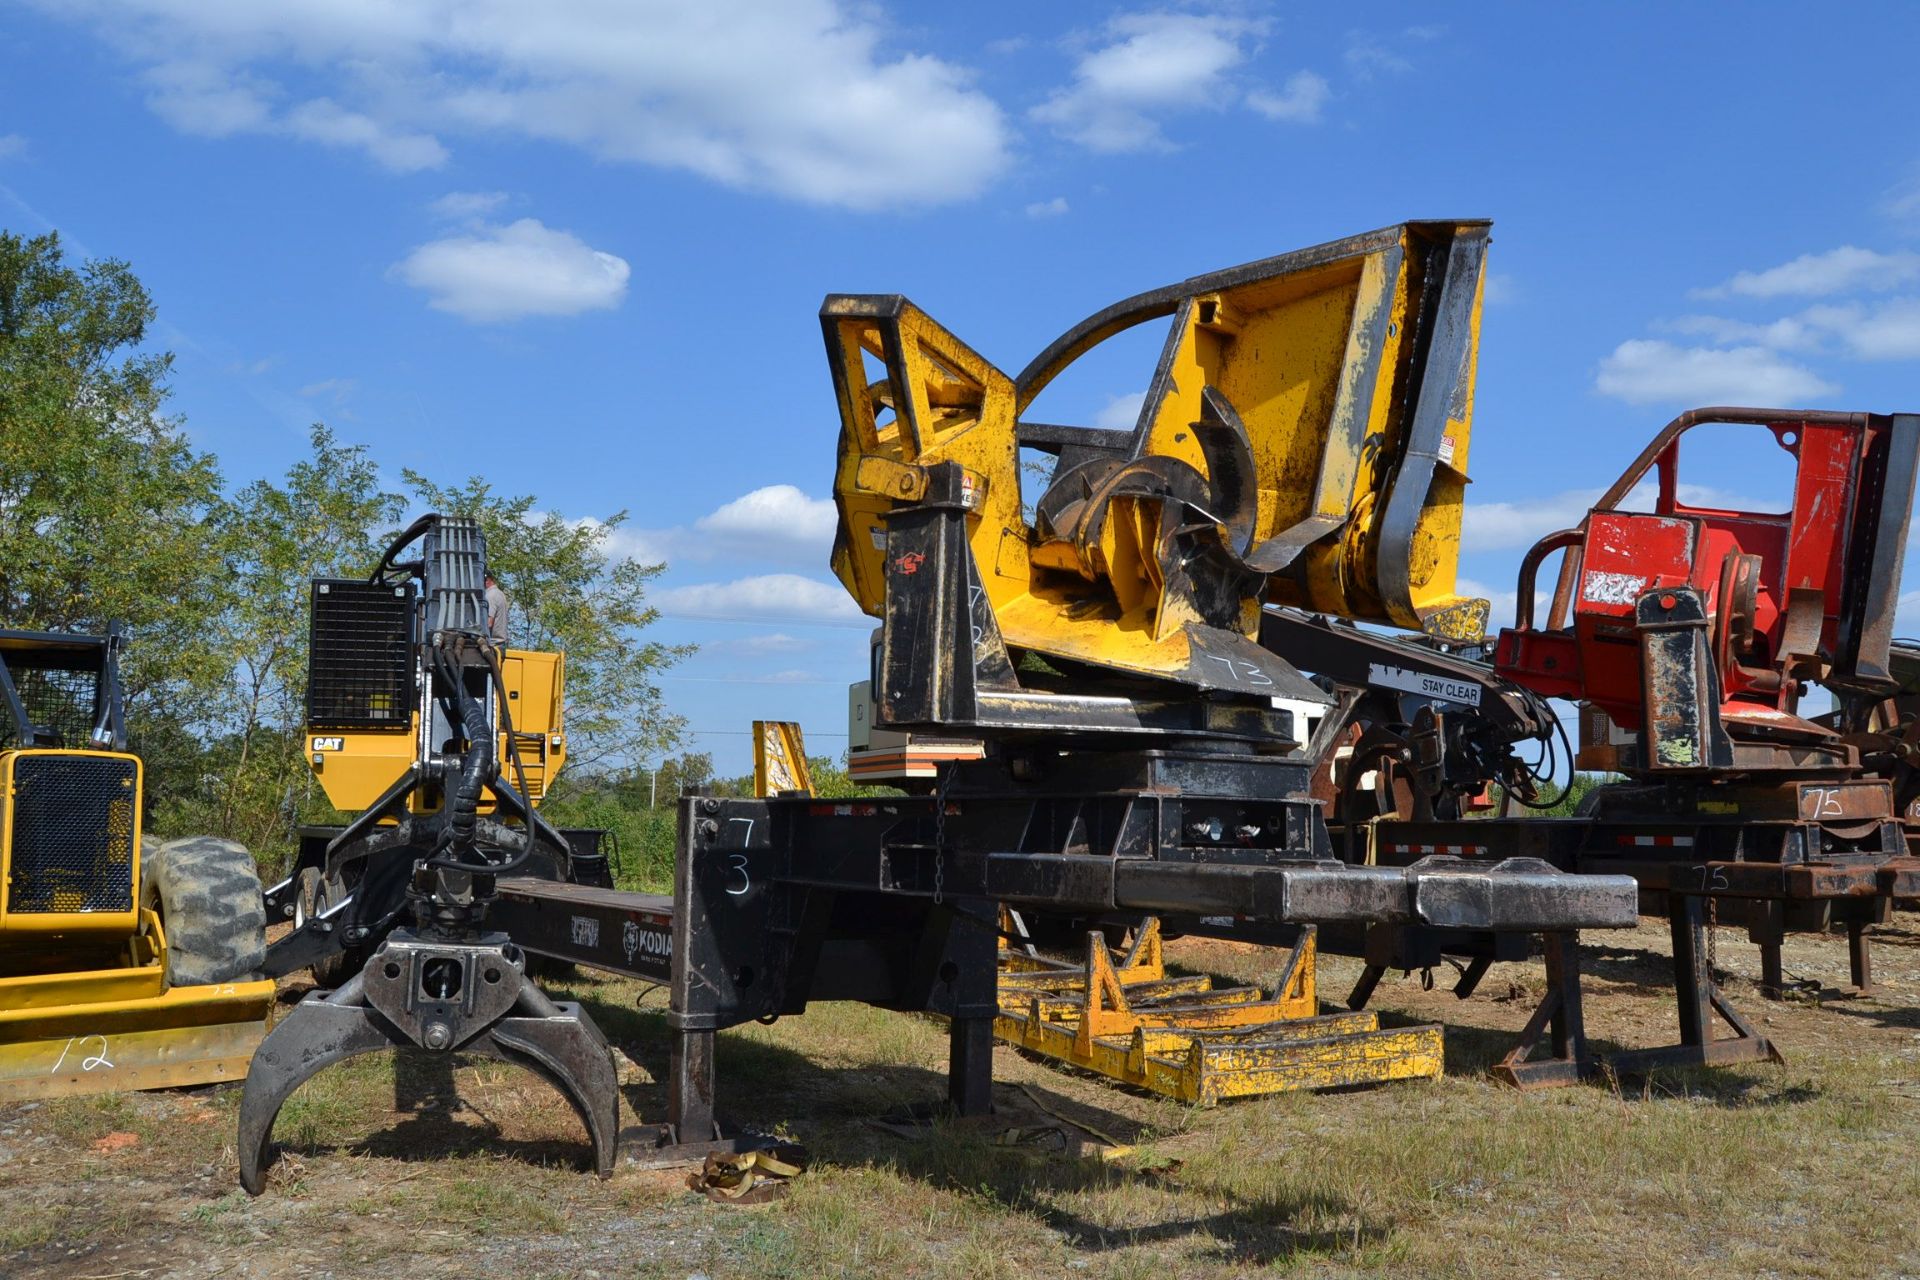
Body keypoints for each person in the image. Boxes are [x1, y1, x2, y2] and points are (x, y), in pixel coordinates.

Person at [483, 573, 509, 644]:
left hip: (494, 644)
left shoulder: (490, 595)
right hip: (500, 642)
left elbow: (488, 623)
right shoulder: (499, 593)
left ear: (487, 580)